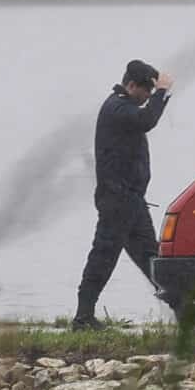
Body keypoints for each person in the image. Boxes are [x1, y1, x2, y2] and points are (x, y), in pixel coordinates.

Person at [74, 58, 174, 327]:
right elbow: (147, 120)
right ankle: (83, 317)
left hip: (132, 199)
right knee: (103, 256)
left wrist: (159, 93)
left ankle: (182, 306)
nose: (146, 99)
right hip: (116, 200)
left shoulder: (126, 107)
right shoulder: (117, 108)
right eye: (145, 92)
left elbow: (144, 117)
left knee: (150, 256)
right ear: (131, 85)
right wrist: (163, 92)